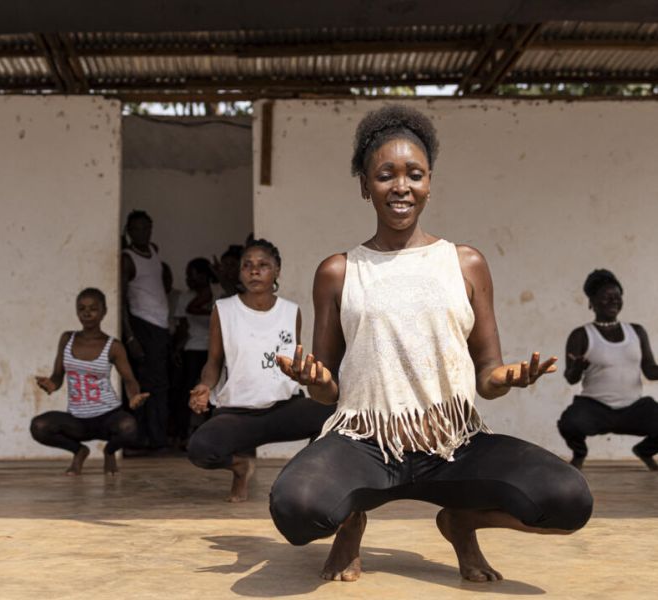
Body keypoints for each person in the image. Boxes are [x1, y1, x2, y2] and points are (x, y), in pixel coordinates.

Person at [269, 105, 592, 583]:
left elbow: (488, 376)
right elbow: (328, 390)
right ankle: (351, 519)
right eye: (385, 175)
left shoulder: (465, 264)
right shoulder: (339, 271)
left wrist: (508, 377)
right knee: (295, 509)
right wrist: (314, 380)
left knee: (569, 500)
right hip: (365, 443)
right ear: (364, 185)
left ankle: (461, 520)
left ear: (429, 182)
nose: (401, 186)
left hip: (453, 443)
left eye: (414, 174)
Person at [187, 239, 334, 502]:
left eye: (263, 265)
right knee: (200, 449)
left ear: (277, 270)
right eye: (248, 265)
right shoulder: (224, 310)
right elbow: (214, 361)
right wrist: (205, 386)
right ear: (240, 272)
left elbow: (294, 357)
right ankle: (241, 468)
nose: (254, 271)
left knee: (336, 420)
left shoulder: (291, 311)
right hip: (238, 413)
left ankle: (299, 476)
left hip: (284, 407)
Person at [31, 288, 149, 475]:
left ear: (104, 311)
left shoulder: (113, 346)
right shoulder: (67, 339)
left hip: (107, 417)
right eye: (82, 308)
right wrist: (51, 385)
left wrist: (133, 396)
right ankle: (79, 451)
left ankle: (109, 452)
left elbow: (129, 379)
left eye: (93, 308)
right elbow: (58, 376)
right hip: (77, 420)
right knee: (39, 426)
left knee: (129, 427)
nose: (87, 313)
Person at [558, 269, 658, 470]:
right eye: (606, 297)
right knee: (569, 423)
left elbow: (650, 370)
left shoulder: (636, 332)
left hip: (634, 408)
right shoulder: (581, 335)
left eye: (617, 296)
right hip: (595, 408)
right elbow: (571, 379)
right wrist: (577, 368)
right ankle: (580, 454)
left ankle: (644, 451)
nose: (613, 301)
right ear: (591, 302)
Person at [121, 210, 171, 450]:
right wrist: (129, 336)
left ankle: (157, 438)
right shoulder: (127, 258)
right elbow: (120, 298)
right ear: (129, 231)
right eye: (138, 228)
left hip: (160, 327)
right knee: (144, 386)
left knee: (159, 385)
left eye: (147, 227)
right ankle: (140, 440)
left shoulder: (154, 251)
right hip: (142, 326)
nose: (143, 232)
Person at [172, 258, 216, 443]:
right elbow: (182, 326)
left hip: (213, 350)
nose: (188, 279)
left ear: (204, 275)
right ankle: (184, 434)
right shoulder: (185, 297)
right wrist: (176, 348)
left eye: (192, 275)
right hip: (192, 348)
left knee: (213, 392)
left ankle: (212, 433)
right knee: (188, 392)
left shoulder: (217, 294)